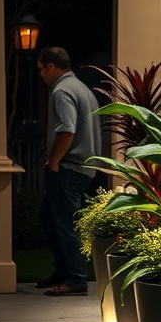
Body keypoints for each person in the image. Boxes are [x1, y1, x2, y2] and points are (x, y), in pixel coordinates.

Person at [36, 46, 102, 296]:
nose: (41, 75)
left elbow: (67, 129)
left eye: (41, 69)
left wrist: (54, 160)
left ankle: (75, 278)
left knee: (64, 223)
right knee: (49, 219)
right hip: (84, 167)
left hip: (69, 167)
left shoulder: (62, 90)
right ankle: (64, 271)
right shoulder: (82, 89)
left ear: (51, 67)